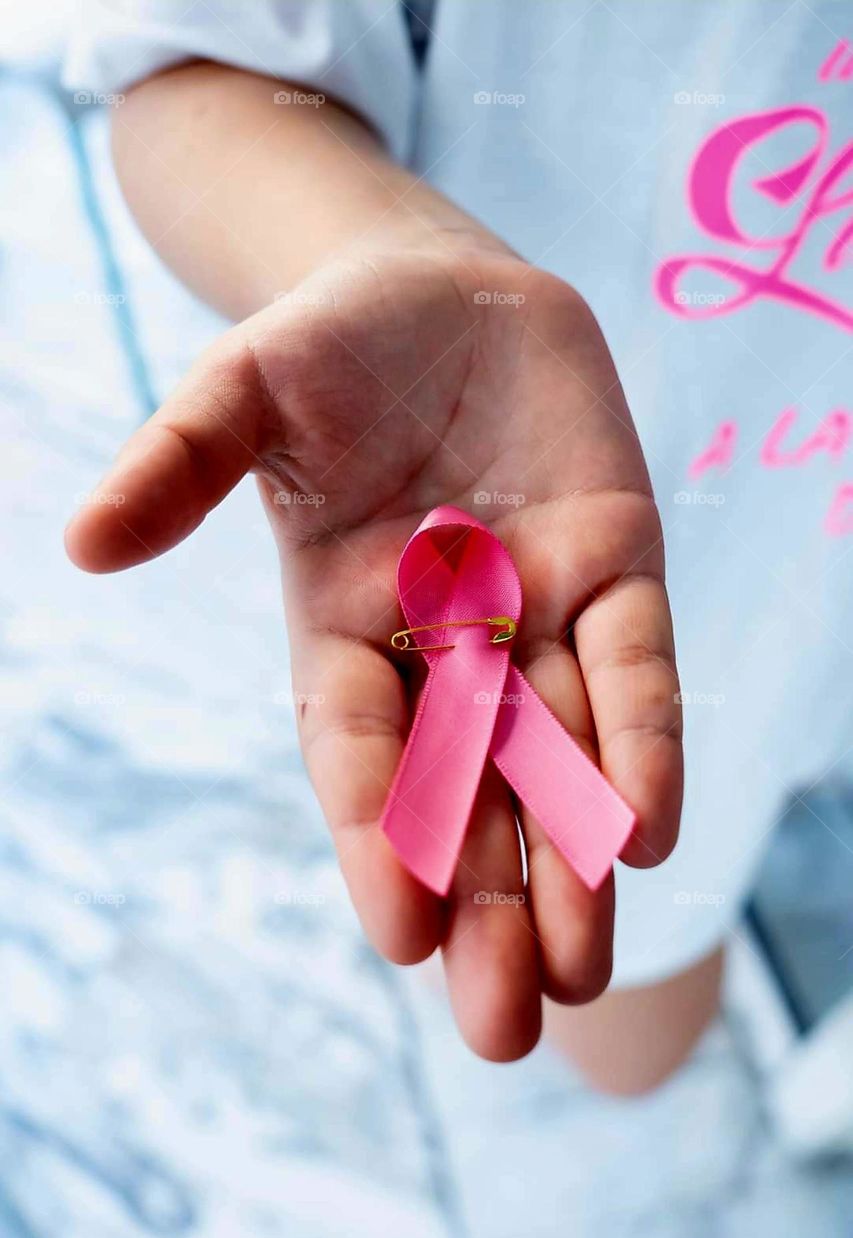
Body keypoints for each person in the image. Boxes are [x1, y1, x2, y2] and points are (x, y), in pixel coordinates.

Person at [63, 1, 852, 1092]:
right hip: (573, 557)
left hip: (807, 542)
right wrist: (383, 243)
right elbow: (195, 75)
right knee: (631, 1025)